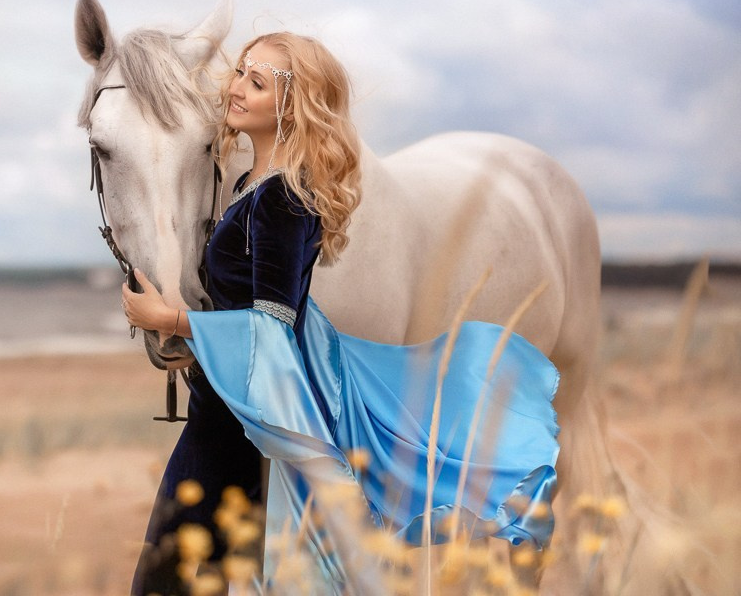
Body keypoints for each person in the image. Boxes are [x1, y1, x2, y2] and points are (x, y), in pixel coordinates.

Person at [123, 33, 560, 594]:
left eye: (258, 83)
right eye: (240, 72)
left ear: (293, 106)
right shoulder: (248, 184)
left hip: (238, 420)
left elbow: (272, 332)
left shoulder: (282, 201)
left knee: (165, 576)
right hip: (227, 405)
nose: (235, 89)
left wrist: (171, 321)